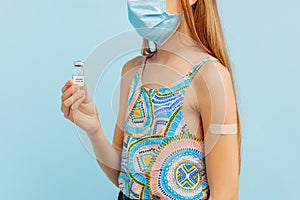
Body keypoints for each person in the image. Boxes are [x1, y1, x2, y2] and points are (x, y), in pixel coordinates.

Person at [60, 0, 241, 199]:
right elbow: (125, 177)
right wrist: (93, 130)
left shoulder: (210, 77)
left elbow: (225, 194)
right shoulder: (132, 72)